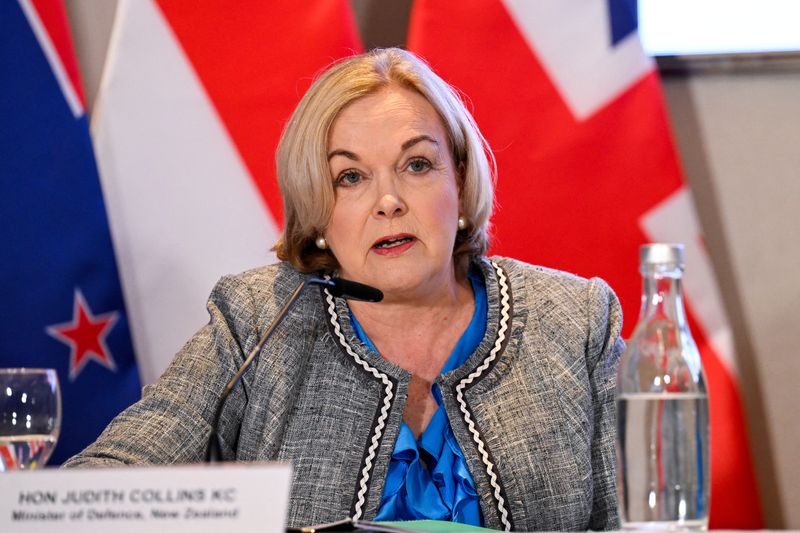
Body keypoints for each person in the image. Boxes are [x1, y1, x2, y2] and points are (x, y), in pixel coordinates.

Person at [65, 48, 624, 531]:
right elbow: (105, 485)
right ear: (318, 213)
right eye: (350, 177)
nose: (389, 201)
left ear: (458, 178)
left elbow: (644, 520)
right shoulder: (259, 321)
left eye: (417, 164)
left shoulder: (574, 321)